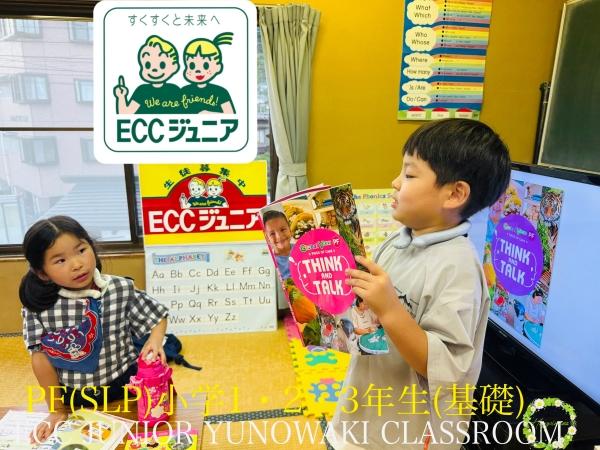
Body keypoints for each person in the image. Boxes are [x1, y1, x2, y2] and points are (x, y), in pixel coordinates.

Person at [326, 119, 511, 449]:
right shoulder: (396, 242)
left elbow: (445, 367)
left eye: (409, 175)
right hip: (364, 411)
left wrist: (389, 309)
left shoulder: (458, 266)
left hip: (409, 434)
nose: (395, 182)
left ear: (455, 194)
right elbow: (369, 321)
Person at [19, 216, 169, 443]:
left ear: (92, 247)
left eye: (81, 250)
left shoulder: (120, 288)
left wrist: (155, 340)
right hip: (75, 395)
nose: (77, 264)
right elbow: (40, 358)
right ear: (42, 272)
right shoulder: (39, 308)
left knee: (147, 437)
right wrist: (57, 409)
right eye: (60, 260)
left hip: (127, 385)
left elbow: (157, 315)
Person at [114, 35, 181, 114]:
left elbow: (185, 112)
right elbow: (125, 113)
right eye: (148, 65)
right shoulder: (142, 91)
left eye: (162, 65)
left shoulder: (174, 90)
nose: (154, 69)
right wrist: (121, 97)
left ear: (174, 67)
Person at [180, 33, 236, 113]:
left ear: (218, 67)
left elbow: (230, 114)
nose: (198, 70)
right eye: (192, 66)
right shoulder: (184, 91)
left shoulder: (220, 92)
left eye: (205, 66)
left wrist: (208, 114)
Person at [262, 210, 293, 280]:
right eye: (272, 234)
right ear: (267, 238)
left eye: (283, 229)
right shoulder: (269, 263)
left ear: (290, 229)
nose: (279, 236)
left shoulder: (303, 249)